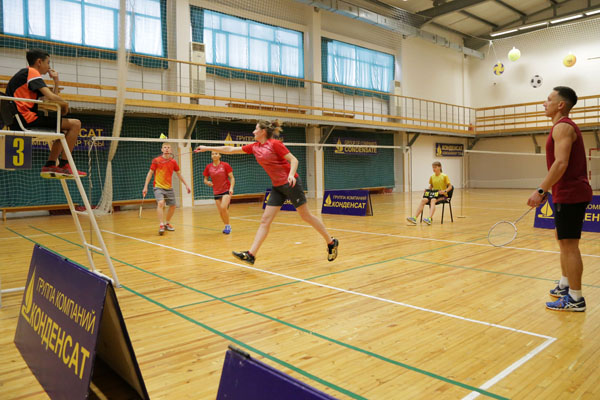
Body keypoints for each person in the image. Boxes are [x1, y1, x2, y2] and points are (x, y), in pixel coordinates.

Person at [194, 120, 338, 265]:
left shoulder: (275, 144)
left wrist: (290, 174)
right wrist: (206, 148)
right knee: (265, 220)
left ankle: (331, 242)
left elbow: (294, 160)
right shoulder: (255, 147)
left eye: (255, 129)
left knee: (305, 216)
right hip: (277, 187)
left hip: (291, 184)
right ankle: (251, 254)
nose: (253, 132)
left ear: (263, 131)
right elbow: (230, 149)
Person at [527, 86, 593, 312]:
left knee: (570, 245)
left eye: (548, 99)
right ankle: (565, 285)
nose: (544, 103)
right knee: (562, 239)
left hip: (571, 193)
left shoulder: (563, 127)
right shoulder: (561, 127)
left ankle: (575, 298)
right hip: (566, 192)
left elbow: (561, 163)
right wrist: (550, 190)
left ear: (560, 105)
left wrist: (541, 190)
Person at [5, 48, 85, 179]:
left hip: (20, 119)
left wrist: (56, 81)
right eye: (48, 63)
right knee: (75, 124)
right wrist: (65, 104)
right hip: (27, 119)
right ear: (39, 62)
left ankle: (51, 164)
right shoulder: (32, 72)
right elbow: (52, 97)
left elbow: (50, 99)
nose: (49, 67)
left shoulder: (26, 75)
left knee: (64, 132)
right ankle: (65, 165)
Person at [143, 143, 191, 235]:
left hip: (169, 187)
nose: (166, 149)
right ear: (162, 149)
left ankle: (167, 223)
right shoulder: (156, 160)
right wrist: (145, 186)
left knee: (173, 206)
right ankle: (161, 224)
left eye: (168, 148)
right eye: (165, 147)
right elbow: (150, 173)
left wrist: (186, 185)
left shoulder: (173, 162)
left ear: (171, 150)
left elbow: (179, 174)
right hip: (158, 187)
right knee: (161, 203)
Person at [406, 161, 452, 225]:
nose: (434, 169)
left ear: (440, 167)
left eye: (435, 167)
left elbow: (450, 186)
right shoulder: (432, 177)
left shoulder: (444, 176)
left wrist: (444, 191)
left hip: (444, 196)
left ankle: (429, 219)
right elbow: (431, 186)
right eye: (433, 167)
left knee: (433, 200)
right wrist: (427, 190)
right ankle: (414, 218)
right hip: (434, 194)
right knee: (423, 200)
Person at [203, 151, 235, 234]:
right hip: (216, 191)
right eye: (212, 154)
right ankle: (226, 225)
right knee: (221, 211)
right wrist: (207, 182)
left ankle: (228, 226)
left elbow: (232, 178)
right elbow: (205, 179)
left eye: (216, 153)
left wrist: (231, 188)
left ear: (220, 155)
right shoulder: (208, 167)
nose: (214, 155)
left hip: (226, 190)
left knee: (223, 207)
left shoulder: (225, 165)